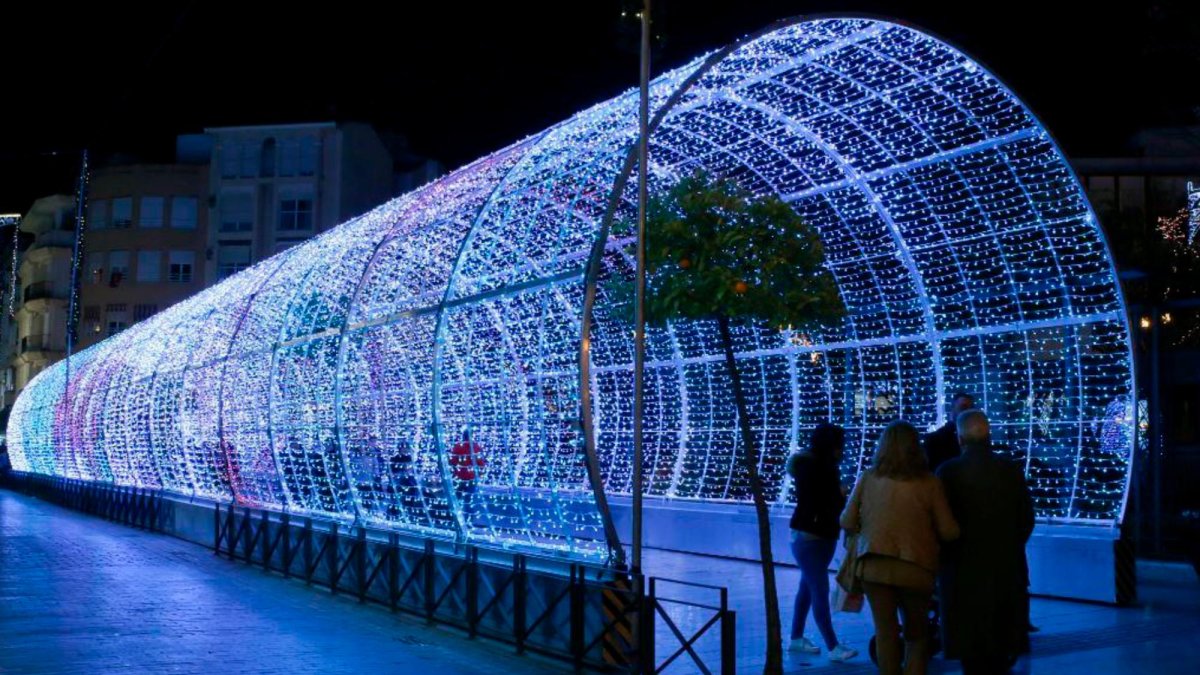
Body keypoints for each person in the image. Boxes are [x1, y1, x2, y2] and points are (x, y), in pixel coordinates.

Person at [841, 421, 960, 675]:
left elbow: (846, 520)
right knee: (916, 635)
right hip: (916, 568)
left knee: (886, 632)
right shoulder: (929, 483)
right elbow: (949, 530)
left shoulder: (869, 477)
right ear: (916, 447)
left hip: (874, 566)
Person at [936, 410, 1035, 674]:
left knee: (972, 650)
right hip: (1005, 566)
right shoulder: (1010, 469)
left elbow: (940, 523)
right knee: (1000, 645)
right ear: (988, 434)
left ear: (960, 437)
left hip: (962, 571)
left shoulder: (947, 472)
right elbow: (1026, 517)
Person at [786, 423, 857, 662]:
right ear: (833, 445)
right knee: (819, 589)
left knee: (807, 587)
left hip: (809, 534)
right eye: (841, 444)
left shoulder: (808, 466)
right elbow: (825, 502)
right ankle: (833, 646)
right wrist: (840, 495)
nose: (844, 449)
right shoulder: (822, 469)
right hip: (815, 535)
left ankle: (796, 638)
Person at [923, 393, 975, 474]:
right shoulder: (935, 440)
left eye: (971, 408)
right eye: (963, 407)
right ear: (952, 411)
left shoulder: (976, 440)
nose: (967, 412)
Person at [449, 428, 486, 524]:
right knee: (468, 501)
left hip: (459, 478)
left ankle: (455, 520)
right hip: (471, 479)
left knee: (456, 500)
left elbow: (452, 462)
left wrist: (454, 473)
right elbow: (481, 463)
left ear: (463, 436)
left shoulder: (457, 447)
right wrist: (480, 475)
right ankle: (468, 522)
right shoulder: (476, 447)